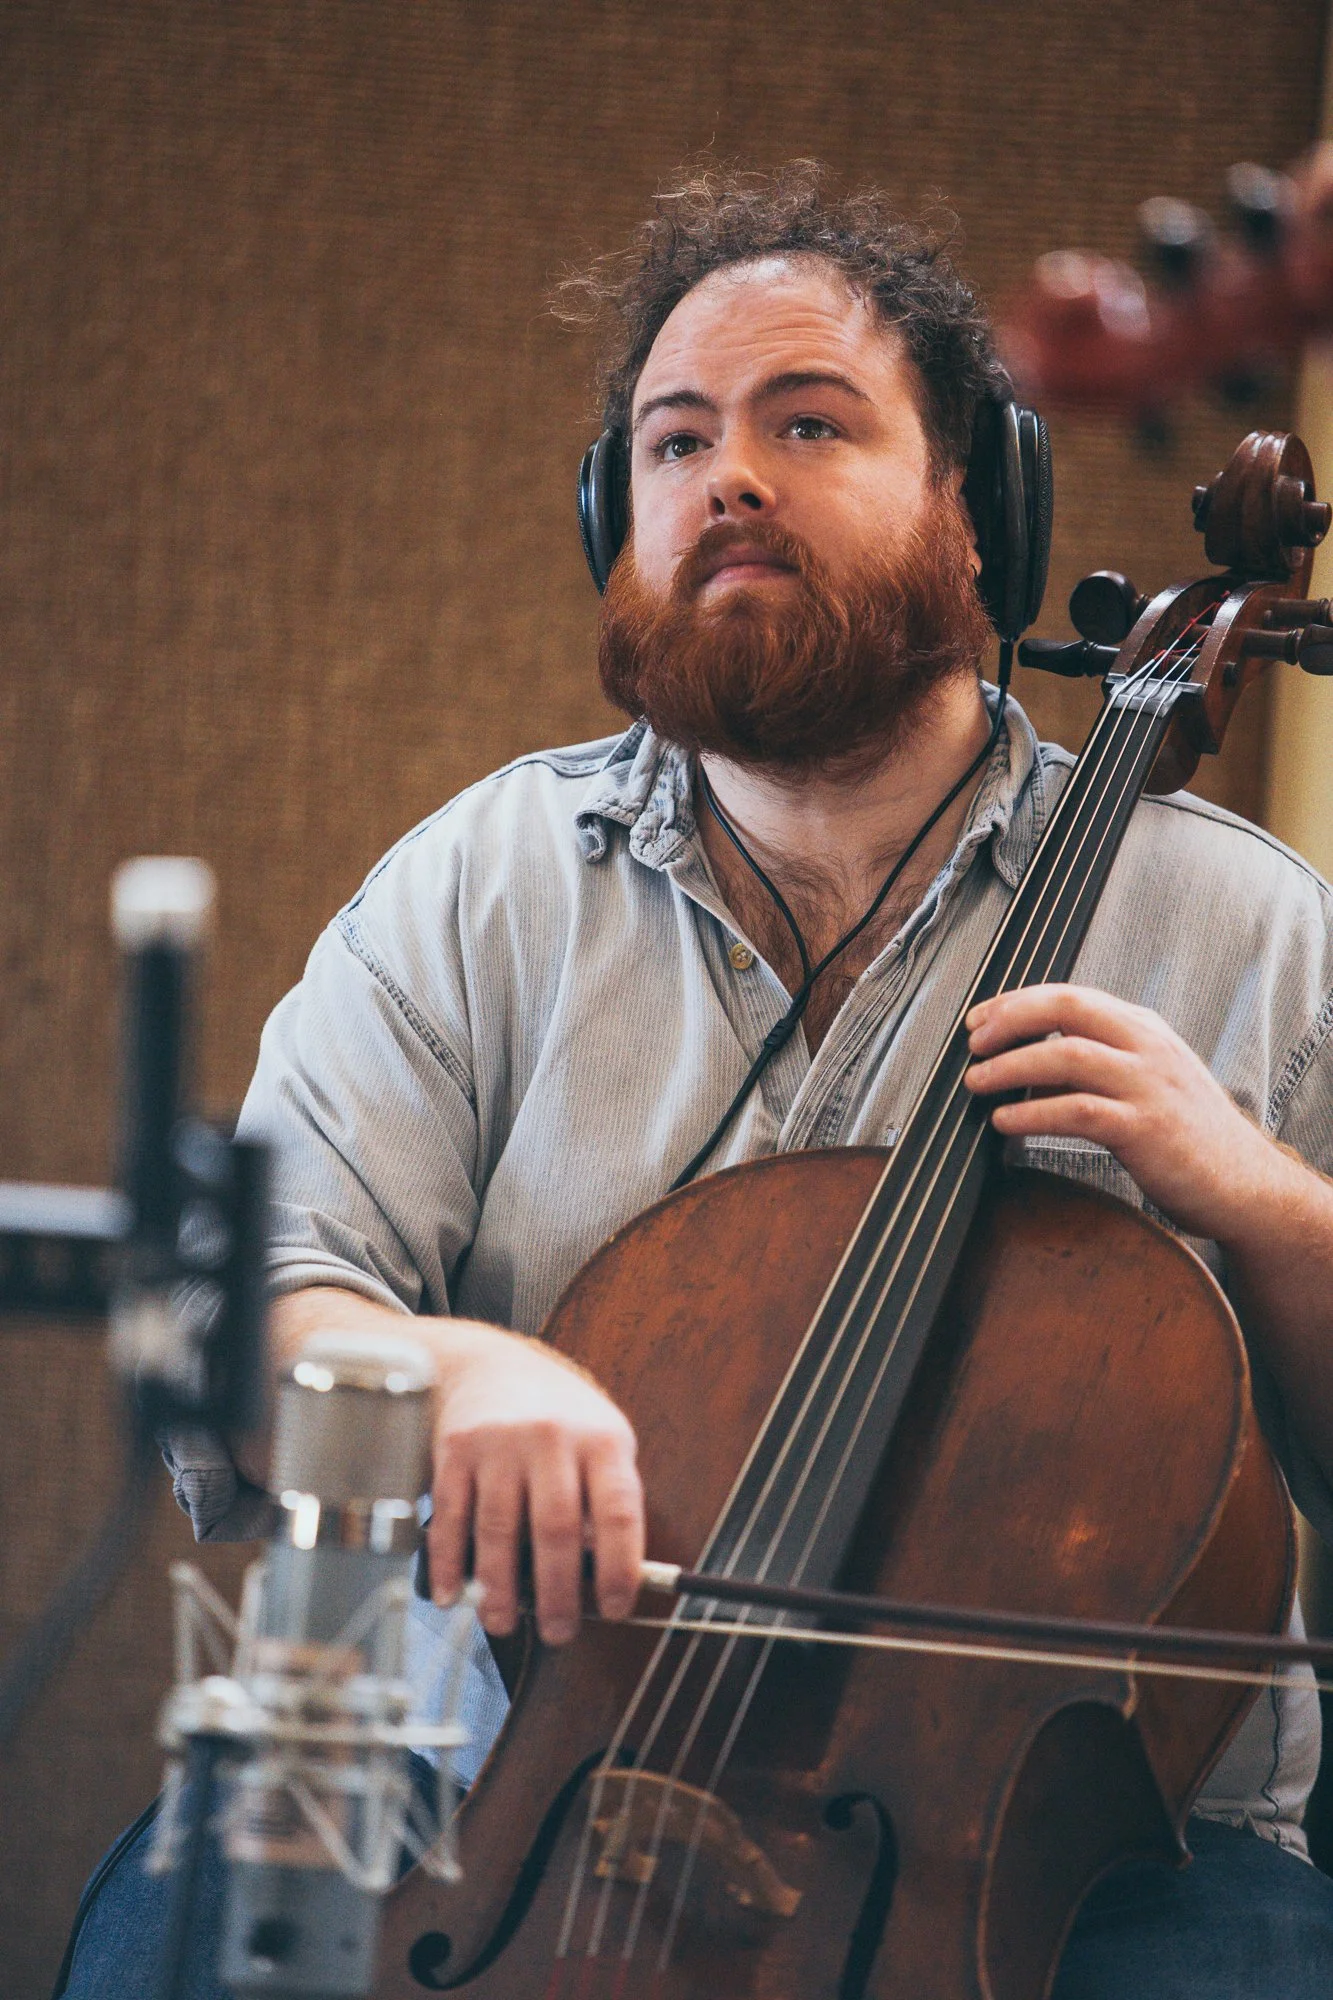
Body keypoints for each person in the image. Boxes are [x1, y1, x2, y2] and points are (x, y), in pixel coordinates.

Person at [61, 164, 1333, 1998]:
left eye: (807, 421)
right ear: (617, 518)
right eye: (672, 444)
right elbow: (227, 1317)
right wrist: (444, 1364)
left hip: (1107, 1868)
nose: (726, 474)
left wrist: (1261, 1200)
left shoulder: (1247, 932)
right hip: (495, 1790)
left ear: (979, 511)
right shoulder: (482, 886)